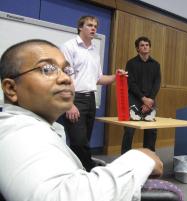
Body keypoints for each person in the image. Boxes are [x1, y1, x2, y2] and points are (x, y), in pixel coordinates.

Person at [0, 39, 163, 201]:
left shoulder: (39, 127)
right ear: (11, 88)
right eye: (47, 69)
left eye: (67, 70)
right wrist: (140, 158)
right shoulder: (19, 132)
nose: (66, 78)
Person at [60, 16, 126, 171]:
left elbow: (99, 79)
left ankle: (80, 170)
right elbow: (64, 78)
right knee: (78, 141)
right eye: (89, 25)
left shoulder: (94, 51)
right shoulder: (69, 47)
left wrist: (116, 76)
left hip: (90, 99)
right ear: (80, 27)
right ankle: (88, 171)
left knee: (85, 141)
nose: (93, 28)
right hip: (75, 99)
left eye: (95, 26)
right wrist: (69, 104)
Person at [121, 36, 161, 154]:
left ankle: (149, 155)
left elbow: (157, 83)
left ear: (150, 47)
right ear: (137, 49)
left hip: (150, 100)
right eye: (142, 45)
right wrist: (143, 99)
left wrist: (150, 101)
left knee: (151, 130)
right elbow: (131, 83)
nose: (145, 47)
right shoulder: (131, 63)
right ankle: (125, 156)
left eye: (147, 45)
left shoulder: (156, 64)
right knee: (129, 130)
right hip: (134, 98)